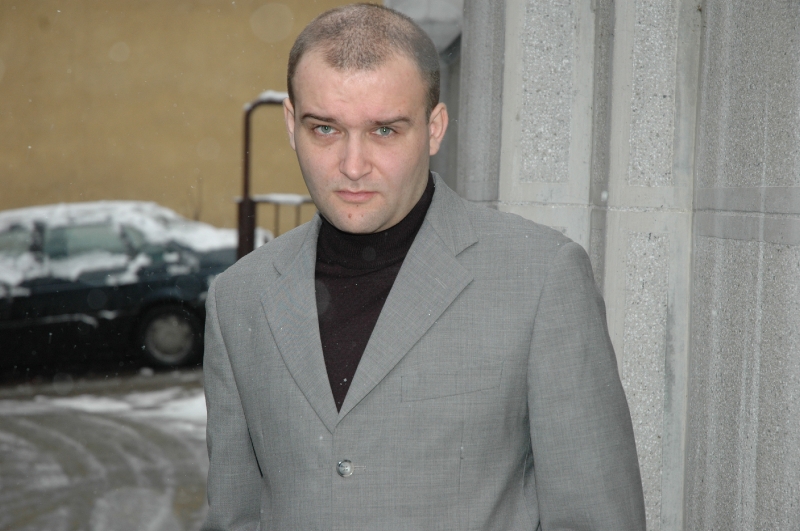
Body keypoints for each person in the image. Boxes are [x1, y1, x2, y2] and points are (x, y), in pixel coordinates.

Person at [202, 3, 646, 530]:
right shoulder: (240, 297)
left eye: (384, 131)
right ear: (291, 125)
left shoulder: (542, 278)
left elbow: (596, 517)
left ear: (434, 129)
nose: (352, 165)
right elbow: (235, 515)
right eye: (325, 129)